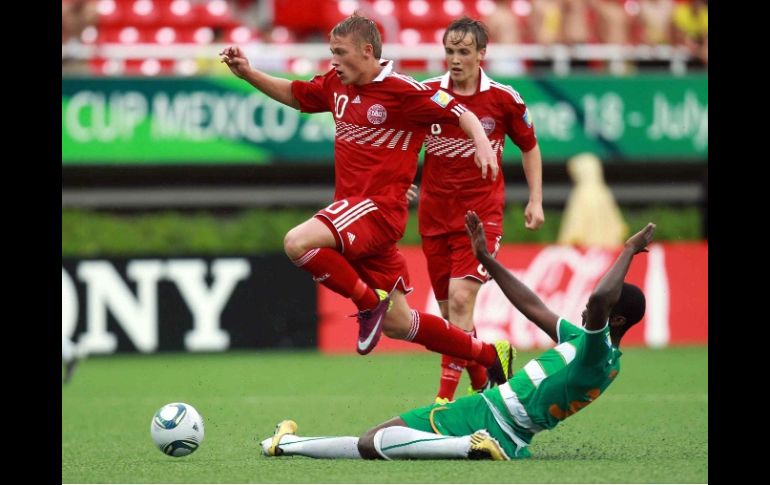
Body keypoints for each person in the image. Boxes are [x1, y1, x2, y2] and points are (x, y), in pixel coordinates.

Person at [220, 13, 514, 382]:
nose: (333, 61)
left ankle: (367, 302)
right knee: (400, 323)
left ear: (367, 51)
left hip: (377, 210)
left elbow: (461, 112)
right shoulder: (335, 84)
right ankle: (488, 354)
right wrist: (249, 74)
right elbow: (296, 95)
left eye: (340, 52)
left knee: (297, 242)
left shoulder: (404, 91)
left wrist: (482, 142)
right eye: (331, 52)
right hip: (355, 215)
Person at [258, 212, 654, 460]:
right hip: (509, 429)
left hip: (489, 416)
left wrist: (628, 250)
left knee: (373, 440)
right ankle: (286, 445)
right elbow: (532, 306)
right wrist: (487, 260)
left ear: (616, 320)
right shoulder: (590, 349)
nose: (586, 308)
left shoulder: (597, 351)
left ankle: (469, 445)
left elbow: (600, 298)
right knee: (372, 442)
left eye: (602, 309)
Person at [417, 18, 544, 403]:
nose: (455, 59)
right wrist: (398, 178)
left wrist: (536, 199)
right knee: (450, 316)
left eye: (464, 52)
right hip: (434, 216)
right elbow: (402, 139)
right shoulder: (428, 94)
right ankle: (483, 375)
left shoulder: (504, 99)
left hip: (480, 217)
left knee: (460, 301)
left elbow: (530, 147)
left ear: (482, 54)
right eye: (450, 51)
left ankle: (443, 401)